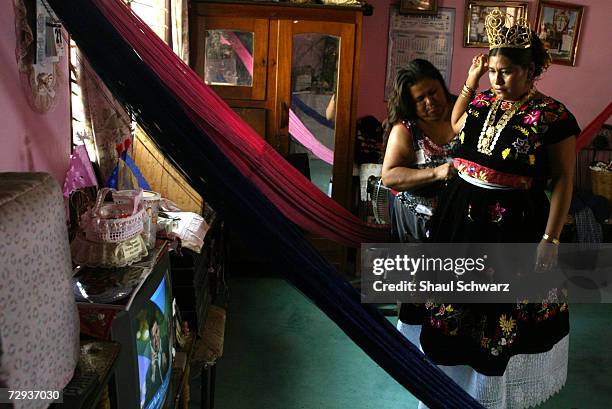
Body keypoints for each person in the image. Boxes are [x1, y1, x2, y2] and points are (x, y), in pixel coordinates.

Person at [417, 9, 580, 408]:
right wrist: (472, 82)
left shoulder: (554, 117)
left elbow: (563, 180)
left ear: (531, 70)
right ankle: (441, 389)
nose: (498, 79)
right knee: (451, 310)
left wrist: (550, 238)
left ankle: (486, 397)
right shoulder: (484, 100)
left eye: (505, 71)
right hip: (460, 220)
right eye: (492, 70)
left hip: (509, 228)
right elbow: (455, 127)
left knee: (493, 318)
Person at [381, 59, 458, 244]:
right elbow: (389, 176)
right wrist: (436, 173)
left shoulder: (463, 110)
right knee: (424, 271)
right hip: (419, 221)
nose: (430, 102)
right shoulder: (406, 128)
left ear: (441, 85)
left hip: (460, 216)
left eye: (433, 92)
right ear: (410, 103)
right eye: (420, 99)